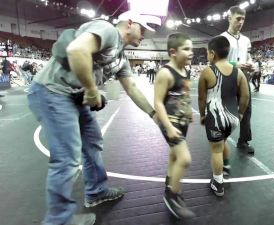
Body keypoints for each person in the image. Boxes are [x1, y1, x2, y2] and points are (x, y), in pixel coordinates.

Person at [27, 11, 161, 225]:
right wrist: (91, 89)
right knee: (67, 159)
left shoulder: (121, 58)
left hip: (76, 97)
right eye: (142, 29)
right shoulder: (107, 30)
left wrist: (154, 114)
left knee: (92, 144)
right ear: (129, 23)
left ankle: (96, 192)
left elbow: (132, 87)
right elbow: (77, 49)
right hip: (53, 91)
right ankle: (58, 220)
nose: (144, 35)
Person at [198, 36, 249, 196]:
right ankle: (225, 166)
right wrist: (240, 113)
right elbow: (245, 96)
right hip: (233, 119)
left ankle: (218, 183)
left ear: (212, 53)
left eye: (207, 52)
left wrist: (202, 114)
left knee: (216, 150)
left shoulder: (207, 71)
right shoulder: (238, 72)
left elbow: (201, 98)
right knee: (223, 141)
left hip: (215, 118)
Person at [154, 33, 195, 219]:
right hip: (170, 123)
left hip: (182, 121)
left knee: (174, 155)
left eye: (192, 49)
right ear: (172, 52)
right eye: (186, 49)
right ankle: (172, 196)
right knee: (184, 159)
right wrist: (169, 127)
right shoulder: (165, 73)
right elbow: (158, 103)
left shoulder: (185, 70)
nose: (191, 53)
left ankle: (170, 183)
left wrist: (189, 111)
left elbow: (185, 93)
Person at [221, 6, 254, 154]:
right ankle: (220, 141)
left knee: (246, 112)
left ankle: (244, 141)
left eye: (243, 19)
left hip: (243, 81)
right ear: (229, 18)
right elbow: (216, 62)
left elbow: (248, 57)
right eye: (238, 19)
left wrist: (251, 64)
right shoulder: (222, 39)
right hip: (227, 81)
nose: (241, 22)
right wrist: (236, 64)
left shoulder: (246, 40)